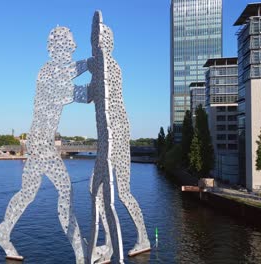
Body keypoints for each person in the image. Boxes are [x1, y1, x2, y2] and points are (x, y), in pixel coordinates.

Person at [0, 26, 88, 263]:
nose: (74, 47)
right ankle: (81, 252)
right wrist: (91, 63)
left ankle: (2, 231)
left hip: (38, 141)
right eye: (70, 43)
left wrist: (90, 64)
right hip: (42, 143)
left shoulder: (55, 71)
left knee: (27, 193)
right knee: (66, 191)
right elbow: (78, 93)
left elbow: (74, 83)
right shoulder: (47, 72)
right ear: (56, 47)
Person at [80, 11, 151, 264]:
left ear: (106, 43)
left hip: (116, 137)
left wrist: (87, 64)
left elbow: (108, 103)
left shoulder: (110, 67)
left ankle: (140, 239)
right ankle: (109, 246)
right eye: (93, 39)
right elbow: (85, 94)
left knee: (120, 194)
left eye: (97, 40)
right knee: (94, 192)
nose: (94, 44)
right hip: (104, 140)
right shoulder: (97, 70)